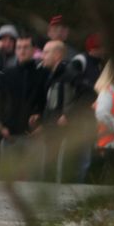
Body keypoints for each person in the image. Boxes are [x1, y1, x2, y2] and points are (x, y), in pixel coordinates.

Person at [0, 34, 47, 179]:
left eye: (26, 47)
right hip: (10, 136)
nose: (22, 51)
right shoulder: (6, 74)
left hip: (33, 136)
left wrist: (44, 123)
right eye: (19, 48)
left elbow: (48, 102)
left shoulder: (42, 74)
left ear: (33, 50)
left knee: (34, 183)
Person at [59, 33, 107, 182]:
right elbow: (69, 76)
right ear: (93, 49)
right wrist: (88, 85)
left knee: (86, 155)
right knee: (71, 152)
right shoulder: (81, 60)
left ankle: (80, 185)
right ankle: (64, 183)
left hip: (91, 116)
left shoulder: (101, 64)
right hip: (76, 115)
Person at [29, 40, 73, 182]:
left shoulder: (69, 74)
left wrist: (68, 114)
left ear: (58, 55)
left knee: (56, 175)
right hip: (51, 134)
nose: (42, 56)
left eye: (46, 52)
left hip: (63, 136)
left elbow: (86, 94)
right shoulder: (51, 76)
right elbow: (52, 107)